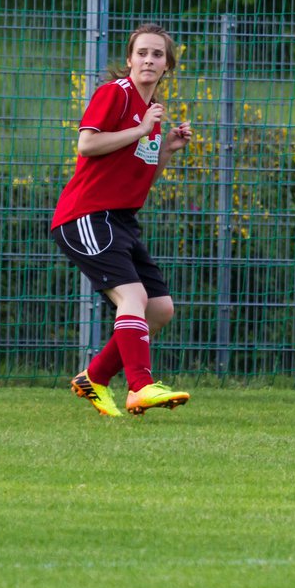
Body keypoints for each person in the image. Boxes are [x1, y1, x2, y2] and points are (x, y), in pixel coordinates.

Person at [51, 22, 194, 417]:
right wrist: (140, 129)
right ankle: (140, 386)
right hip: (86, 214)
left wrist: (165, 149)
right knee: (133, 298)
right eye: (142, 53)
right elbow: (87, 143)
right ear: (129, 59)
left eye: (158, 54)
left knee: (159, 308)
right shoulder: (114, 94)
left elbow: (139, 177)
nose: (149, 60)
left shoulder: (152, 115)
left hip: (121, 220)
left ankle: (93, 377)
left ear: (168, 66)